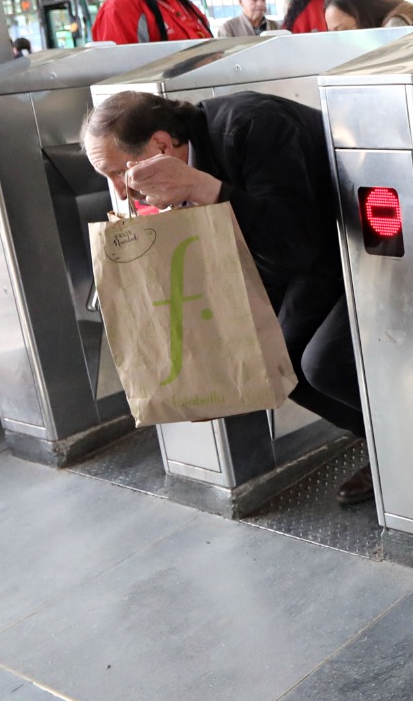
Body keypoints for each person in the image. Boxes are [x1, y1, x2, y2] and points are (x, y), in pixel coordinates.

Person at [81, 90, 374, 506]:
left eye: (119, 173)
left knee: (321, 363)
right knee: (271, 359)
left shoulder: (252, 125)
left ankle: (409, 448)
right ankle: (381, 443)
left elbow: (297, 241)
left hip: (357, 238)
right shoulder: (183, 159)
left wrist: (206, 188)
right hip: (298, 257)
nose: (121, 191)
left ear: (162, 146)